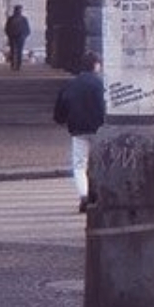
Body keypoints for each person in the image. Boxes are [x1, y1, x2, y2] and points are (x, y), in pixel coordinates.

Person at [53, 51, 105, 213]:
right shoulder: (101, 84)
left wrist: (61, 119)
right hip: (99, 129)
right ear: (96, 65)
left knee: (79, 164)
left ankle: (84, 195)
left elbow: (61, 107)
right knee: (99, 163)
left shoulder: (71, 84)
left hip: (78, 129)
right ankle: (98, 195)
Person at [4, 5, 30, 71]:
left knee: (18, 51)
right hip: (13, 37)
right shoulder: (11, 19)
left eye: (19, 10)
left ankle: (18, 65)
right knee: (13, 51)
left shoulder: (23, 19)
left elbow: (27, 29)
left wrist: (24, 35)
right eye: (18, 10)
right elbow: (7, 28)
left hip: (20, 37)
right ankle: (13, 64)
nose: (19, 11)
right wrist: (9, 35)